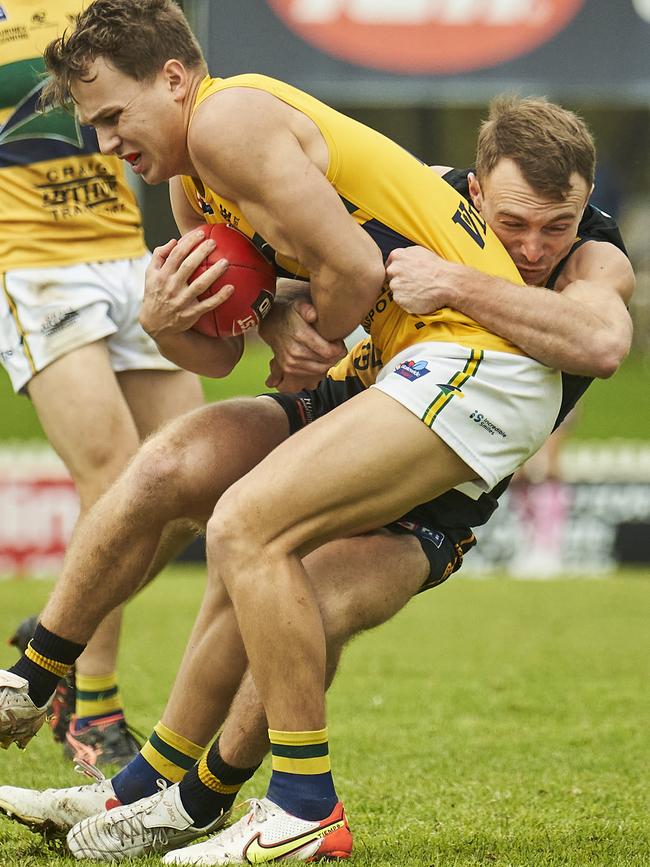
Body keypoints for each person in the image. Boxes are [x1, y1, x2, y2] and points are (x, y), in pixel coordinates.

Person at [0, 3, 633, 863]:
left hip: (464, 379)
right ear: (474, 190)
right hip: (390, 377)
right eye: (512, 220)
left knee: (252, 532)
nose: (532, 243)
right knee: (172, 468)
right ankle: (48, 695)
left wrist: (326, 321)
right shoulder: (205, 179)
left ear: (176, 80)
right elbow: (228, 349)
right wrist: (185, 322)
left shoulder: (230, 120)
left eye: (114, 116)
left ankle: (293, 804)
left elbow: (580, 335)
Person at [0, 0, 209, 768]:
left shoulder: (123, 7)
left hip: (129, 256)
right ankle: (94, 710)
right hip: (33, 264)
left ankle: (59, 628)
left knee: (191, 485)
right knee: (116, 475)